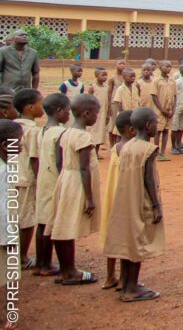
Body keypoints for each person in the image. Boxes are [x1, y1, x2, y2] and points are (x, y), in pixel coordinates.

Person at [103, 107, 165, 303]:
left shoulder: (126, 146)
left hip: (124, 200)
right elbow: (148, 179)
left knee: (128, 241)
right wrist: (156, 205)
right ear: (148, 126)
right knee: (138, 241)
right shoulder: (148, 149)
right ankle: (131, 288)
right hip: (140, 199)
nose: (157, 126)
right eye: (155, 123)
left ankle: (128, 283)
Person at [46, 94, 102, 285]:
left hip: (66, 179)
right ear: (87, 114)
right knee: (67, 227)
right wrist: (89, 197)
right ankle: (70, 272)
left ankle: (65, 269)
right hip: (77, 183)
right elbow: (84, 168)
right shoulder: (84, 137)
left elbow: (60, 160)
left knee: (61, 225)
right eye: (96, 114)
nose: (97, 117)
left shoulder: (66, 132)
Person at [35, 92, 71, 276]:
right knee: (53, 224)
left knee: (42, 223)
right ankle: (50, 265)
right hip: (54, 182)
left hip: (43, 181)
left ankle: (42, 262)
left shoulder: (43, 130)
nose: (69, 115)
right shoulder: (60, 133)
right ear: (59, 112)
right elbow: (60, 161)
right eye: (67, 111)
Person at [99, 110, 134, 289]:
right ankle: (124, 279)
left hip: (112, 197)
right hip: (127, 197)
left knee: (112, 236)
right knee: (127, 238)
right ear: (131, 129)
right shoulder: (132, 150)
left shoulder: (115, 148)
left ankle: (110, 276)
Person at [14, 88, 44, 269]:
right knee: (26, 219)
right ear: (31, 107)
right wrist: (40, 179)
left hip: (11, 177)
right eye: (41, 103)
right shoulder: (33, 131)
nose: (43, 107)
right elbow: (34, 158)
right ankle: (22, 257)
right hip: (26, 179)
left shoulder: (12, 125)